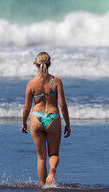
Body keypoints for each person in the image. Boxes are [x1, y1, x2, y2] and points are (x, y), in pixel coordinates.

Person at [22, 51, 71, 185]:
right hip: (53, 118)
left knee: (41, 157)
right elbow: (62, 105)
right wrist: (67, 124)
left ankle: (43, 186)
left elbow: (26, 107)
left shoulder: (31, 83)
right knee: (53, 154)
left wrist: (23, 123)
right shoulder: (57, 81)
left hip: (36, 118)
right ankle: (52, 171)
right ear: (49, 64)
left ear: (36, 65)